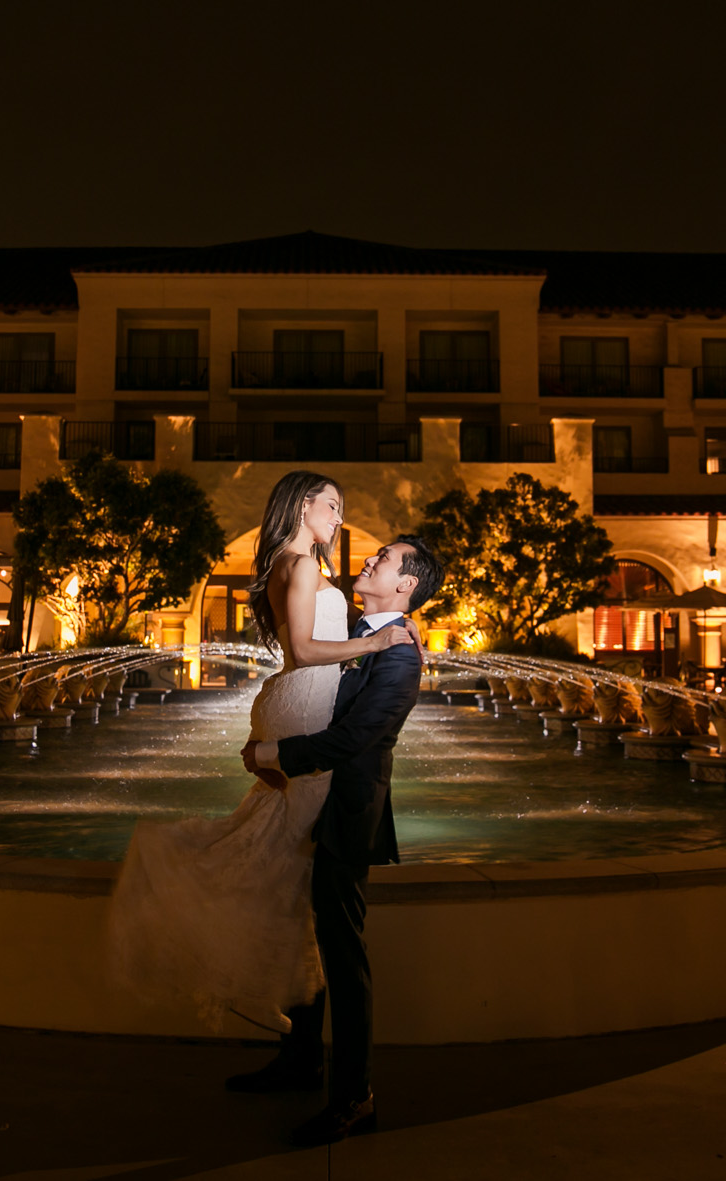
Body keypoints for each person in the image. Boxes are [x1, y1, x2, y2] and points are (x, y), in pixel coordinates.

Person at [105, 473, 413, 1038]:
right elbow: (301, 648)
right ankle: (267, 991)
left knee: (283, 863)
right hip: (302, 708)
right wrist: (371, 643)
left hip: (297, 704)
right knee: (291, 869)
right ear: (301, 506)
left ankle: (281, 1010)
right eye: (332, 506)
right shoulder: (299, 567)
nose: (339, 518)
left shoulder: (290, 564)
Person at [235, 531, 440, 1148]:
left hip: (347, 814)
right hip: (306, 802)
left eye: (386, 559)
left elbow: (357, 739)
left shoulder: (400, 654)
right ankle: (300, 1059)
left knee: (342, 954)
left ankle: (356, 1097)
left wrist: (272, 751)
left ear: (405, 586)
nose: (371, 557)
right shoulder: (358, 632)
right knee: (303, 932)